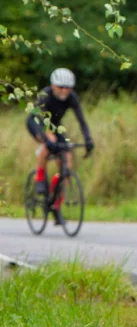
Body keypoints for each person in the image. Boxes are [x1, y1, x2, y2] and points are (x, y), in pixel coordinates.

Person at [26, 69, 95, 221]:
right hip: (37, 123)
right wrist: (47, 140)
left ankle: (56, 203)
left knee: (66, 160)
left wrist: (88, 139)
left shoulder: (72, 97)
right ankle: (39, 178)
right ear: (53, 85)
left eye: (68, 88)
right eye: (60, 87)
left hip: (56, 125)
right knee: (50, 141)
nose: (64, 91)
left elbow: (81, 120)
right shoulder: (45, 95)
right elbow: (39, 119)